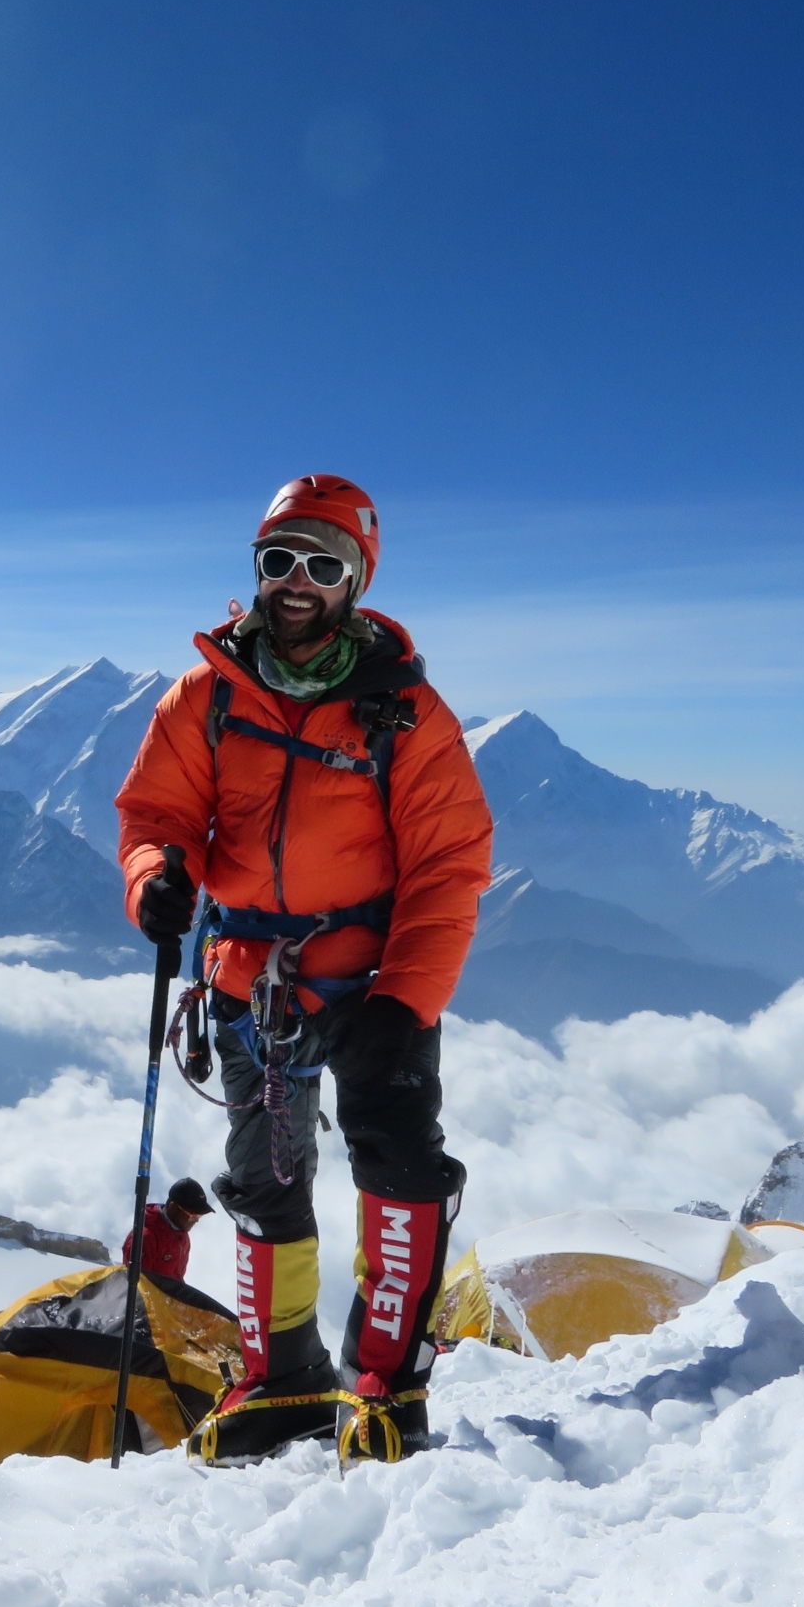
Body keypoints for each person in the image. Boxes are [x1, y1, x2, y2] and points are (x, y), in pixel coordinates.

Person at [115, 474, 494, 1464]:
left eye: (322, 566)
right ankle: (283, 1376)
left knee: (398, 1168)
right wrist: (154, 879)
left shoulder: (403, 713)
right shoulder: (205, 698)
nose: (296, 581)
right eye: (278, 559)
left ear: (355, 582)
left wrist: (404, 1000)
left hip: (373, 985)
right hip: (251, 985)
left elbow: (450, 863)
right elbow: (156, 817)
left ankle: (385, 1385)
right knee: (264, 1185)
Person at [124, 1177, 214, 1282]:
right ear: (173, 1207)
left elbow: (177, 1277)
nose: (196, 1221)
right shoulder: (145, 1238)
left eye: (199, 1216)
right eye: (192, 1216)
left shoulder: (182, 1234)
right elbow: (139, 1284)